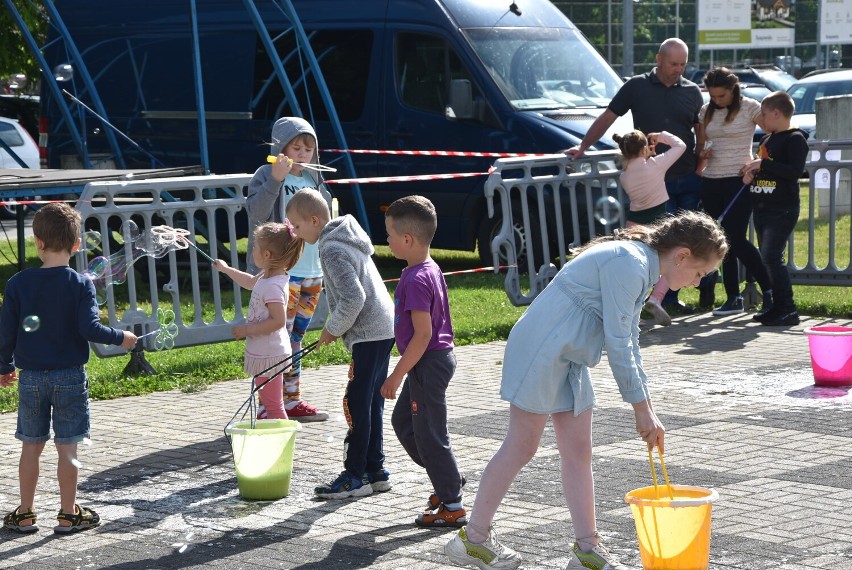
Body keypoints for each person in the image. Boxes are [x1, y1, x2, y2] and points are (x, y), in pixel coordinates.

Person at [444, 211, 728, 570]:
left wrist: (647, 405)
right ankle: (473, 540)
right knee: (521, 446)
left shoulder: (642, 265)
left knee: (579, 452)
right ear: (682, 255)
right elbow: (619, 342)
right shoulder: (632, 263)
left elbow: (629, 339)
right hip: (542, 350)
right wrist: (642, 409)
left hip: (570, 356)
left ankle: (587, 551)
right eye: (700, 273)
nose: (697, 282)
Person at [0, 203, 138, 534]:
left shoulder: (18, 284)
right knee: (68, 447)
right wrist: (123, 338)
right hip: (70, 378)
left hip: (31, 377)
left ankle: (25, 513)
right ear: (77, 245)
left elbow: (5, 333)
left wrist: (3, 366)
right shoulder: (80, 284)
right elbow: (90, 329)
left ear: (38, 242)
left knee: (30, 447)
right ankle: (67, 514)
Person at [565, 38, 715, 311]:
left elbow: (699, 127)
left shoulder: (692, 91)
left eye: (683, 64)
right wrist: (584, 146)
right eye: (673, 64)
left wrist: (701, 159)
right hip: (659, 181)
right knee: (666, 243)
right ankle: (661, 299)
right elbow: (608, 117)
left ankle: (693, 295)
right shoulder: (636, 86)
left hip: (687, 176)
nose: (678, 69)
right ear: (658, 59)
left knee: (694, 239)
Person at [285, 189, 396, 499]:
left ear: (315, 219)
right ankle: (376, 470)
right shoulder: (344, 238)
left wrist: (332, 329)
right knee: (370, 402)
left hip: (370, 331)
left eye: (296, 225)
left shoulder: (331, 249)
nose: (294, 231)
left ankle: (355, 475)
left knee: (356, 403)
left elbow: (354, 297)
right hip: (382, 328)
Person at [380, 195, 466, 527]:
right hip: (427, 362)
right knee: (405, 423)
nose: (386, 240)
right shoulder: (424, 269)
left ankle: (453, 504)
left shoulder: (417, 278)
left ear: (407, 239)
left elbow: (423, 335)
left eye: (389, 234)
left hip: (427, 363)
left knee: (430, 433)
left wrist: (396, 374)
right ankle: (448, 479)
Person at [246, 116, 331, 422]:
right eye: (296, 147)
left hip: (313, 272)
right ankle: (269, 405)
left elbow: (325, 222)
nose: (303, 154)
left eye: (308, 148)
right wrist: (275, 179)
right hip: (284, 274)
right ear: (281, 148)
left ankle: (291, 400)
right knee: (276, 342)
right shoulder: (266, 174)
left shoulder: (315, 180)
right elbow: (256, 213)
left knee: (295, 340)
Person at [696, 67, 773, 317]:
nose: (717, 101)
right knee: (721, 241)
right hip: (711, 180)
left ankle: (770, 290)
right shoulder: (706, 111)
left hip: (739, 180)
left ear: (733, 90)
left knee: (735, 238)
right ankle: (733, 298)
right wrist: (703, 153)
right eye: (713, 96)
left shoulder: (750, 107)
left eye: (721, 96)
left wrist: (758, 160)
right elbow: (703, 142)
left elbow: (774, 132)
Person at [214, 222, 304, 419]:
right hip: (264, 350)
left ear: (267, 255)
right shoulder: (267, 276)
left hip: (270, 353)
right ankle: (275, 439)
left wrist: (247, 330)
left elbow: (279, 321)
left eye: (255, 247)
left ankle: (281, 443)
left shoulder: (273, 286)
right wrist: (226, 269)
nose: (252, 250)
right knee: (270, 403)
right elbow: (248, 282)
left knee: (273, 406)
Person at [741, 91, 808, 327]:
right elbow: (765, 168)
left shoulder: (795, 139)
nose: (762, 119)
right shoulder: (766, 140)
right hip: (762, 206)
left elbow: (794, 172)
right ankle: (776, 306)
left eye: (764, 115)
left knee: (771, 257)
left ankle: (788, 309)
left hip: (782, 209)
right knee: (768, 258)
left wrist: (764, 164)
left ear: (777, 113)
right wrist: (751, 173)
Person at [614, 129, 686, 326]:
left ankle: (633, 312)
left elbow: (634, 165)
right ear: (644, 148)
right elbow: (681, 145)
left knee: (638, 270)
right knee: (671, 262)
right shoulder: (655, 165)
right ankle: (656, 298)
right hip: (658, 223)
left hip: (634, 225)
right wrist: (661, 135)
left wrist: (646, 153)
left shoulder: (624, 176)